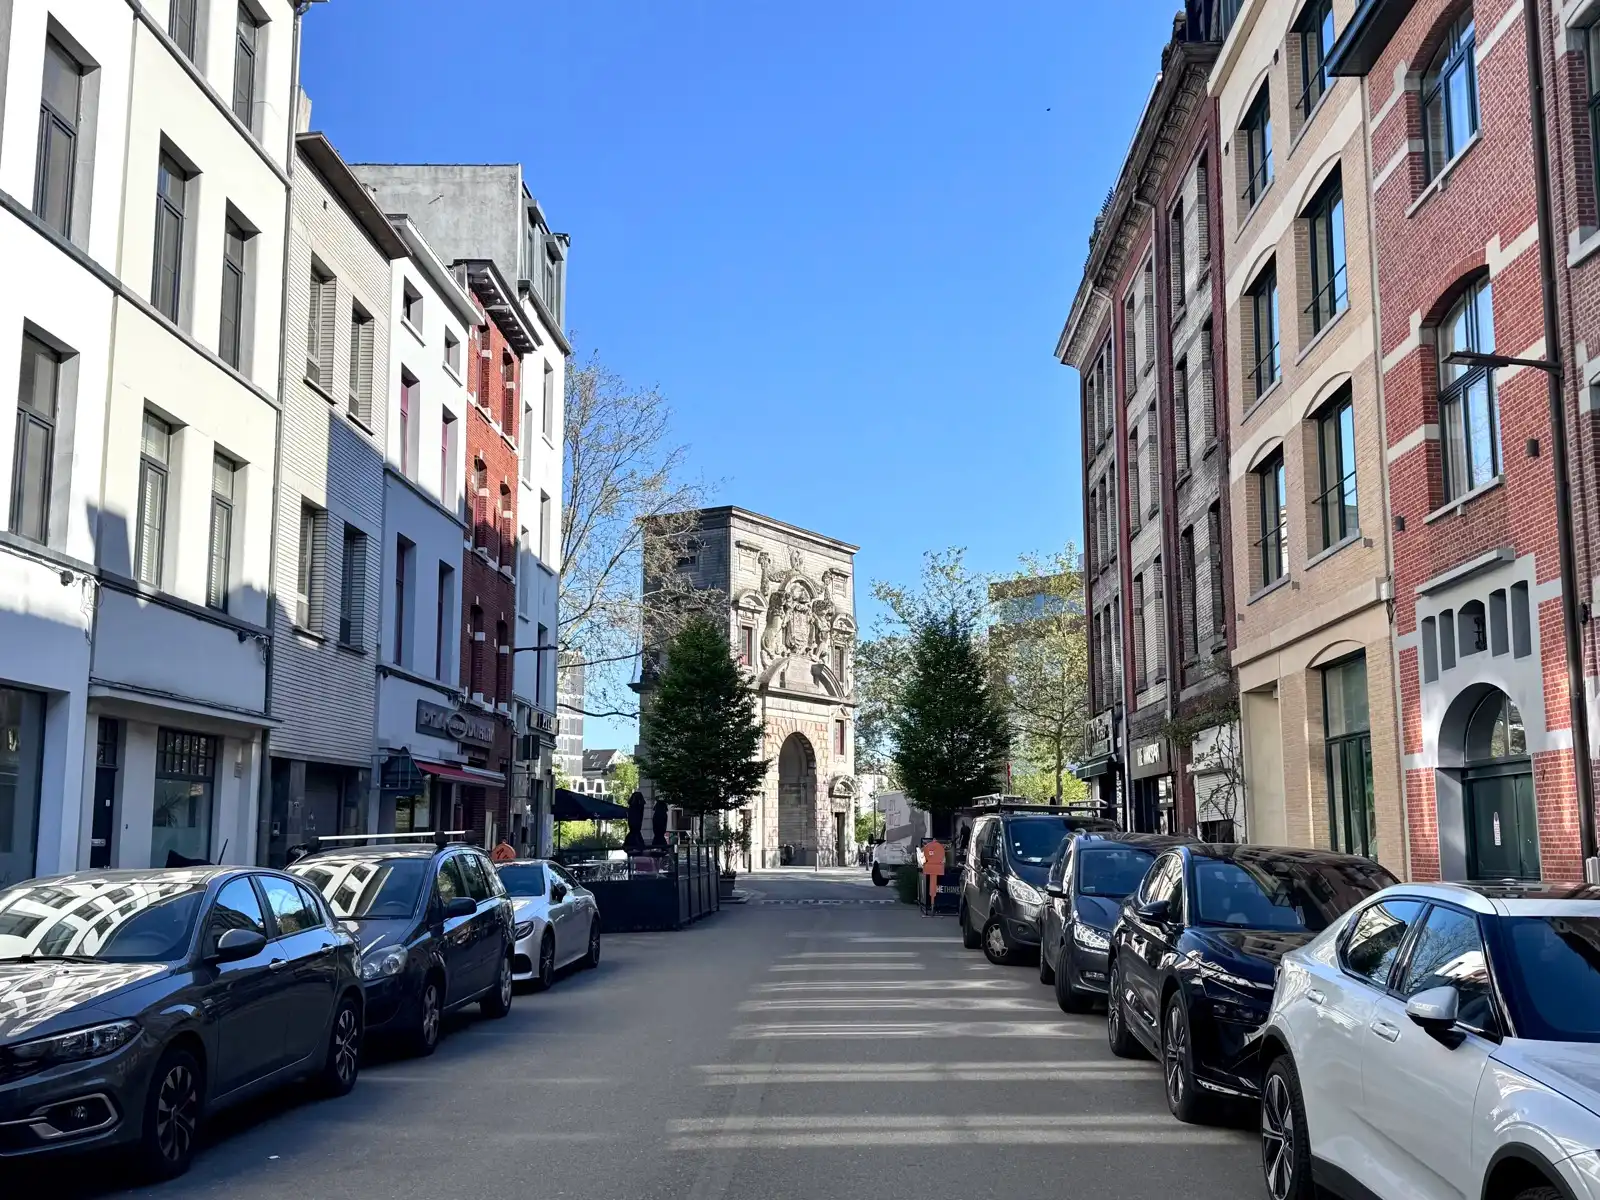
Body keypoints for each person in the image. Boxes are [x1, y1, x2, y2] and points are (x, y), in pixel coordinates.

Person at [920, 838, 946, 916]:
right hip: (938, 867)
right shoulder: (940, 848)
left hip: (929, 867)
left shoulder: (927, 847)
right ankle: (932, 906)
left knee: (932, 887)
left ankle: (932, 906)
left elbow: (923, 858)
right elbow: (943, 859)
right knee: (933, 887)